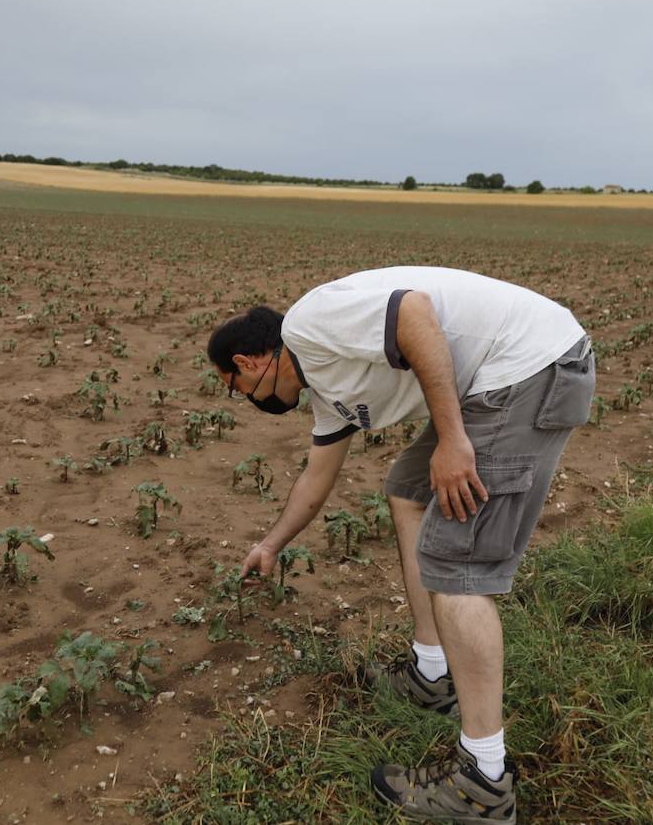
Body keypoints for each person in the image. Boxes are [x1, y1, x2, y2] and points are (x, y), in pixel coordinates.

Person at [207, 265, 594, 823]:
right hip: (500, 376)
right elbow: (316, 480)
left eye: (235, 387)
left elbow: (413, 312)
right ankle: (432, 674)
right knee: (407, 492)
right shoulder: (325, 386)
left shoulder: (311, 324)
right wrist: (271, 545)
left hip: (528, 367)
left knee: (455, 561)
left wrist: (454, 440)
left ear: (247, 363)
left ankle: (484, 783)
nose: (243, 398)